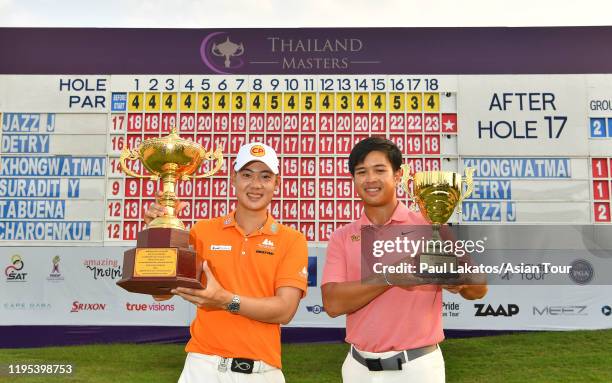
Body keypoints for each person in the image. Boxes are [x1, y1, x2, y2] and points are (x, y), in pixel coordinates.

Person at [321, 137, 487, 383]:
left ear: (398, 176)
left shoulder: (431, 225)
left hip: (417, 368)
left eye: (380, 170)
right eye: (361, 172)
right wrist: (389, 277)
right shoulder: (342, 237)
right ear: (353, 179)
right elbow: (333, 304)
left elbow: (479, 288)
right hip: (358, 369)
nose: (370, 179)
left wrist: (459, 281)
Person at [145, 142, 308, 383]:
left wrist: (224, 299)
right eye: (246, 175)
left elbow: (284, 310)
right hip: (202, 367)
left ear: (277, 183)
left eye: (265, 176)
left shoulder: (292, 240)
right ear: (233, 179)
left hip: (262, 372)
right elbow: (161, 293)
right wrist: (160, 233)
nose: (255, 185)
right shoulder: (202, 231)